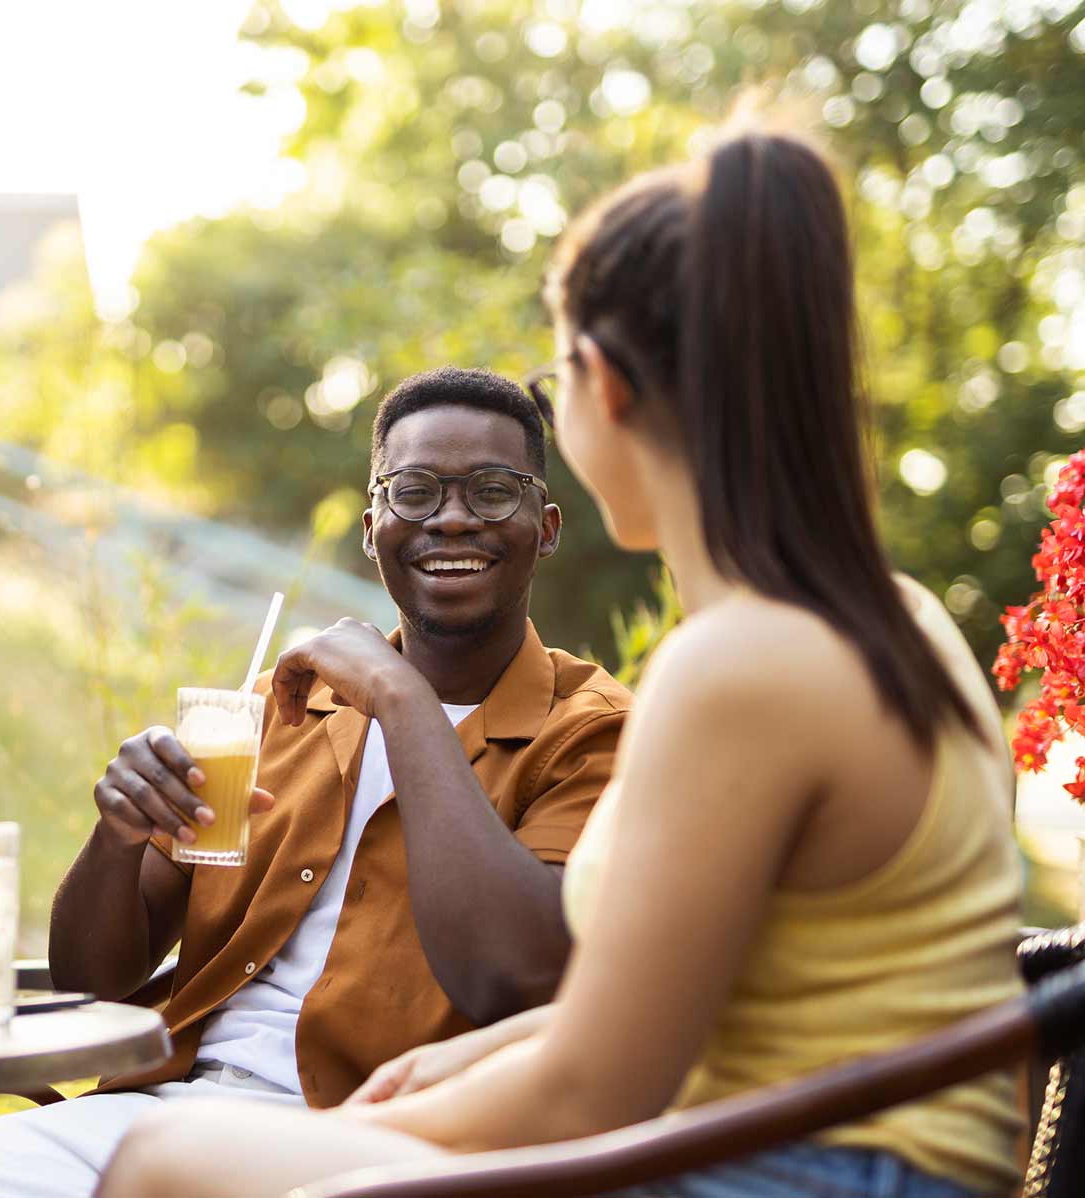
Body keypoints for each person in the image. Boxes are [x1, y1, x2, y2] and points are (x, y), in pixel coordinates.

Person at [98, 122, 1024, 1198]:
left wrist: (363, 1136)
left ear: (601, 387)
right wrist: (457, 1060)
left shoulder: (739, 667)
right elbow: (694, 1005)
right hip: (798, 1148)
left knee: (170, 1165)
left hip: (799, 1172)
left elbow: (597, 1094)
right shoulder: (887, 617)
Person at [0, 366, 630, 1198]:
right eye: (415, 490)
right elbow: (94, 981)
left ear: (545, 529)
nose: (452, 516)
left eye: (493, 490)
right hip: (158, 1115)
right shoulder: (274, 710)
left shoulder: (591, 732)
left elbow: (517, 977)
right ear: (373, 529)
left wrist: (402, 702)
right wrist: (116, 836)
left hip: (376, 1147)